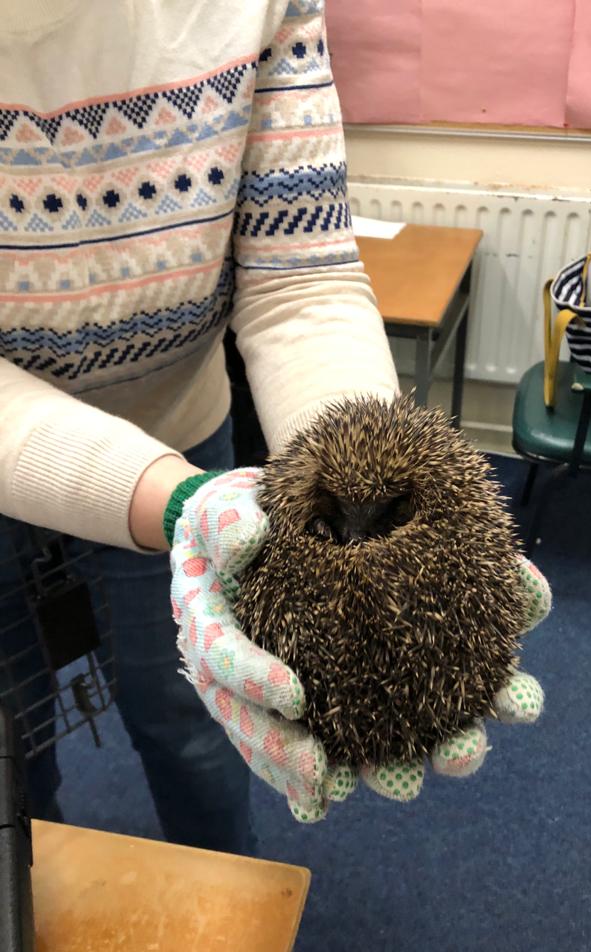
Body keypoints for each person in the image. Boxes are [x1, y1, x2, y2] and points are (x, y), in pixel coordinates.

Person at [0, 0, 548, 852]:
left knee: (190, 721)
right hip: (130, 478)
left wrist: (353, 470)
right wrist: (181, 506)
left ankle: (230, 921)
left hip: (187, 438)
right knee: (9, 741)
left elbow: (300, 284)